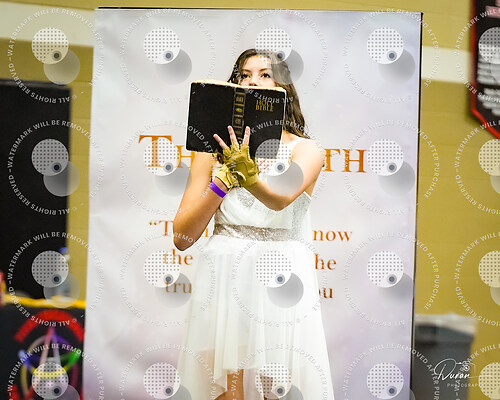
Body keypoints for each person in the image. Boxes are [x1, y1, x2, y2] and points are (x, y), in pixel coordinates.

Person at [174, 48, 335, 400]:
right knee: (225, 391)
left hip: (279, 276)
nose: (253, 82)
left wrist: (247, 176)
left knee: (275, 390)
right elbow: (183, 237)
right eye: (244, 75)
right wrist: (221, 182)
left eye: (264, 74)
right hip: (224, 272)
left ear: (283, 88)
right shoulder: (209, 149)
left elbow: (280, 198)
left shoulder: (307, 150)